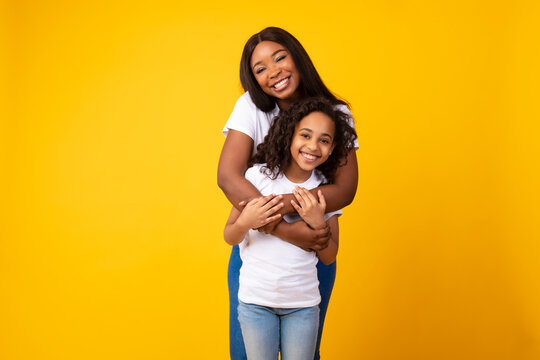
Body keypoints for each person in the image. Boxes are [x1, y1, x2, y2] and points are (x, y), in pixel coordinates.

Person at [218, 27, 359, 360]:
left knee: (306, 353)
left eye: (280, 57)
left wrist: (285, 208)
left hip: (312, 252)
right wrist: (285, 229)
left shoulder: (336, 114)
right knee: (244, 354)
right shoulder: (251, 106)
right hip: (256, 256)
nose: (274, 72)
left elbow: (346, 189)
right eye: (261, 68)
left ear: (297, 57)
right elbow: (228, 176)